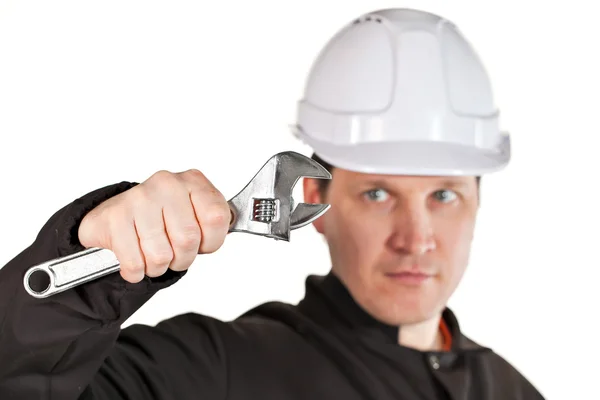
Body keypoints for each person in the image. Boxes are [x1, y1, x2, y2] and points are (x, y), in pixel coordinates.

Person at [0, 8, 545, 400]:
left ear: (477, 204)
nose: (416, 236)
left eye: (444, 195)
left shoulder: (516, 392)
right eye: (377, 193)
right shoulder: (210, 371)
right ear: (315, 198)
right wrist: (85, 280)